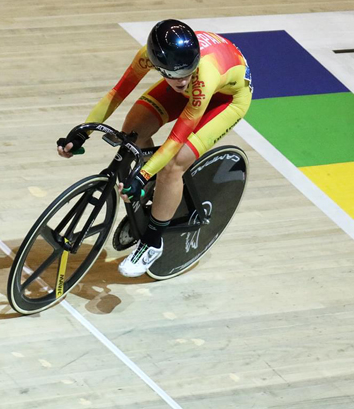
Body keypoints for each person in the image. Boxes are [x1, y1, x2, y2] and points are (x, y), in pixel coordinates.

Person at [57, 19, 252, 277]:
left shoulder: (202, 76)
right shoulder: (148, 57)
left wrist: (143, 175)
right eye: (173, 74)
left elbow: (176, 138)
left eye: (187, 71)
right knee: (133, 131)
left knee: (173, 164)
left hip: (225, 98)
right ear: (157, 63)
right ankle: (155, 197)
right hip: (196, 85)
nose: (181, 80)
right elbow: (117, 94)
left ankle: (152, 242)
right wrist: (84, 132)